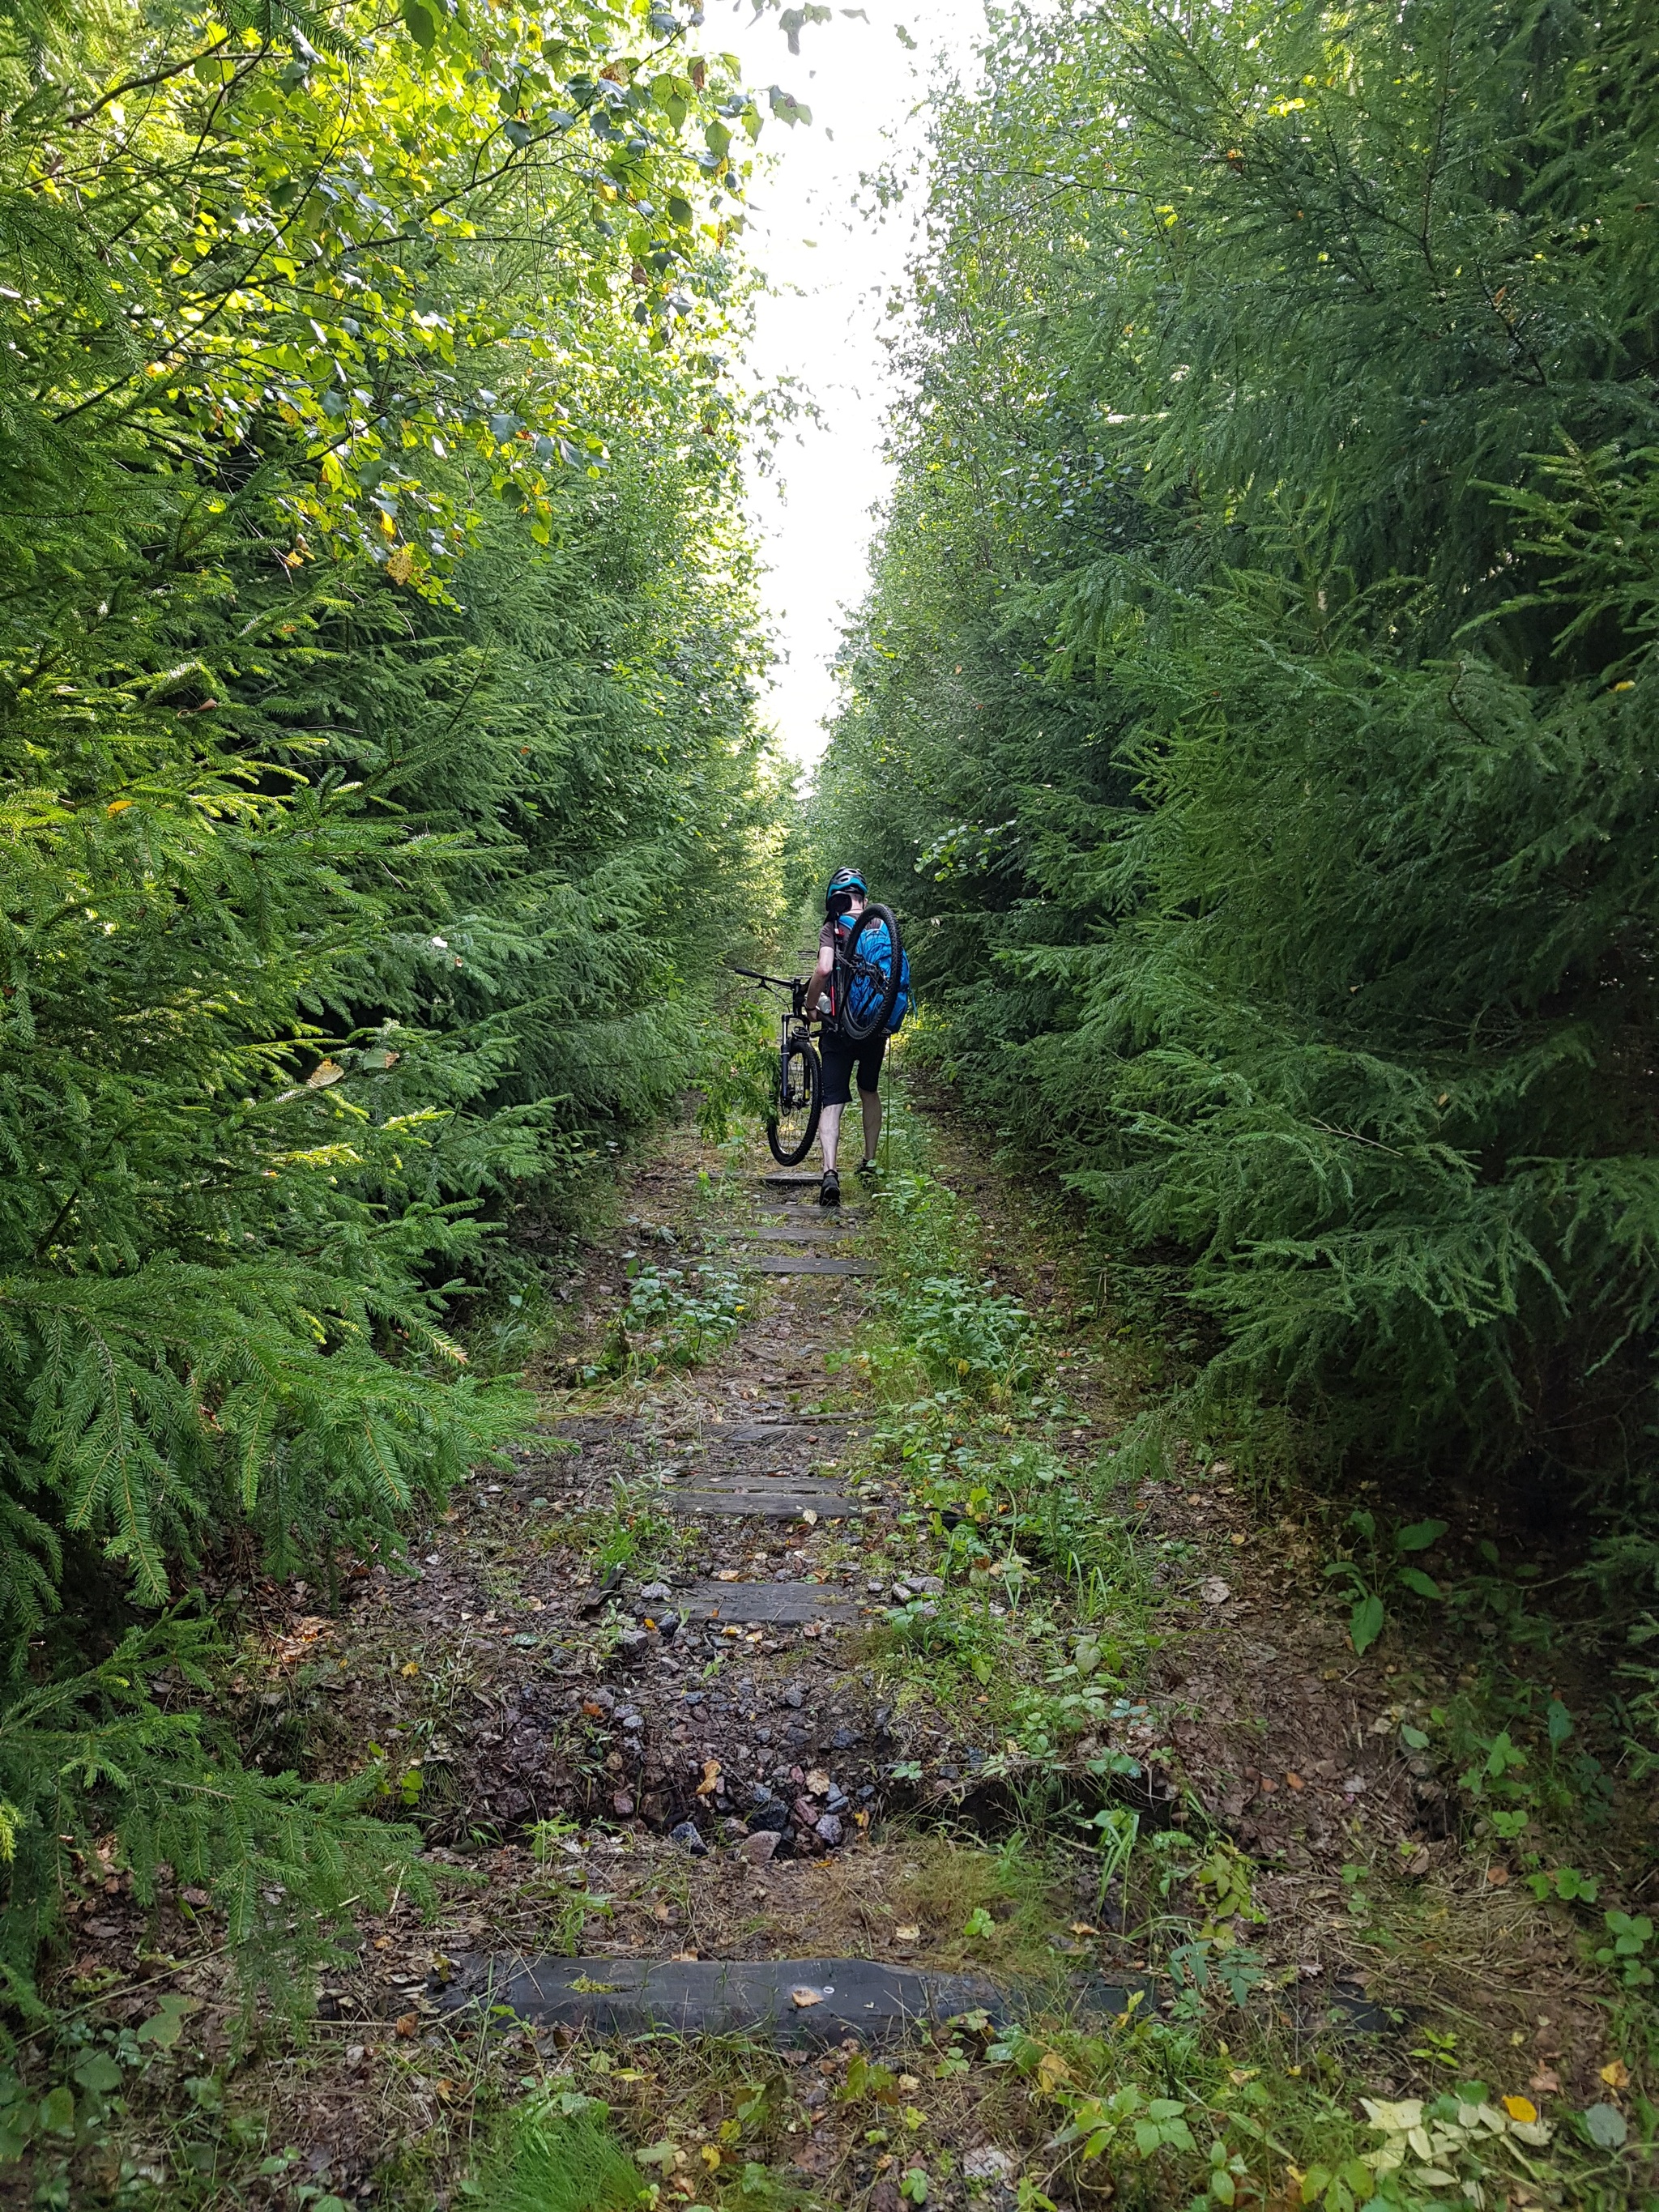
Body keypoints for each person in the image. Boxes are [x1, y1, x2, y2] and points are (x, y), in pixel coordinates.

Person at [809, 866, 885, 1208]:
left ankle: (830, 1173)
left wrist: (812, 1005)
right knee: (869, 1090)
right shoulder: (881, 925)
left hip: (839, 1028)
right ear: (864, 897)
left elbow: (824, 969)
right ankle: (869, 1163)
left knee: (833, 1100)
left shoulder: (832, 927)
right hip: (873, 1027)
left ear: (835, 898)